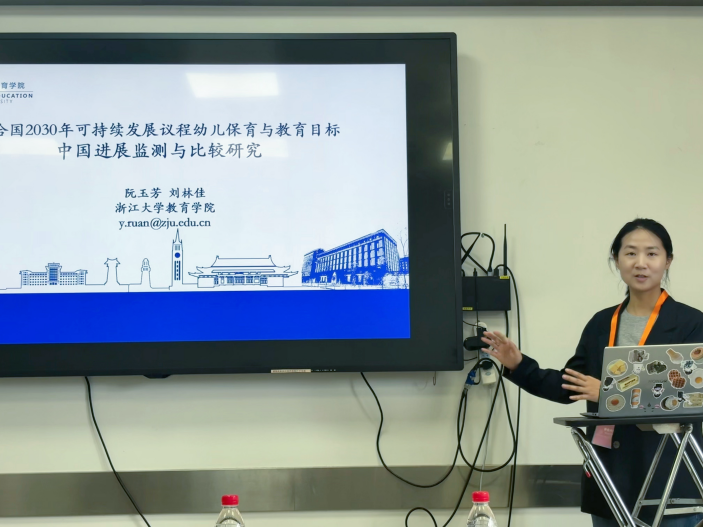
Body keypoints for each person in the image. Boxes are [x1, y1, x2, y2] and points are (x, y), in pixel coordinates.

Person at [481, 219, 703, 527]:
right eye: (630, 253)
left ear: (668, 261)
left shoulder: (691, 323)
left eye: (652, 253)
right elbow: (570, 386)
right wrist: (518, 364)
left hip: (669, 479)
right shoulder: (601, 323)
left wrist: (610, 394)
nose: (640, 263)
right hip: (610, 475)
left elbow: (687, 395)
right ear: (616, 259)